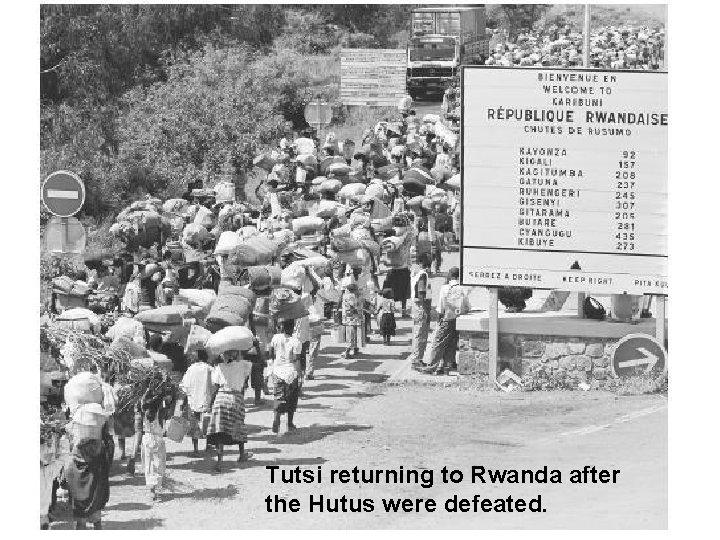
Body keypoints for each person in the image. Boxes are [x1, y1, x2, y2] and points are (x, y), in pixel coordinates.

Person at [64, 403, 114, 529]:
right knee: (97, 517)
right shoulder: (102, 446)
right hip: (96, 482)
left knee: (81, 520)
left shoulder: (76, 446)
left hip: (79, 484)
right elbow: (109, 459)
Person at [207, 349, 253, 471]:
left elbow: (215, 386)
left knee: (220, 430)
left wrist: (211, 403)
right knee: (238, 426)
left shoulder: (219, 367)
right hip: (235, 398)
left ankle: (220, 461)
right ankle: (242, 454)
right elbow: (246, 379)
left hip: (221, 398)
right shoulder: (244, 365)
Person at [424, 267, 469, 375]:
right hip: (457, 319)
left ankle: (432, 366)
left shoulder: (445, 288)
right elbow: (467, 306)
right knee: (452, 343)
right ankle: (446, 367)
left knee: (438, 343)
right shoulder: (462, 288)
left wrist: (439, 319)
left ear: (450, 275)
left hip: (447, 318)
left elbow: (440, 306)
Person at [140, 377, 172, 500]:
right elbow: (167, 408)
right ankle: (154, 488)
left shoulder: (145, 407)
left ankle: (152, 489)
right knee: (158, 464)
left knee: (148, 464)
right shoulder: (159, 410)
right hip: (157, 439)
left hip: (147, 437)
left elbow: (143, 400)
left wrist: (149, 390)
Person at [269, 319, 303, 433]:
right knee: (292, 398)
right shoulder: (296, 341)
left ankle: (276, 418)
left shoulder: (275, 338)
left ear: (282, 327)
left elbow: (271, 354)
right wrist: (300, 375)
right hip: (290, 372)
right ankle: (290, 423)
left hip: (277, 371)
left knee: (278, 396)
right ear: (293, 328)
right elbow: (296, 360)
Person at [179, 349, 214, 455]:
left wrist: (183, 402)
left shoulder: (191, 368)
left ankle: (196, 449)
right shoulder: (209, 368)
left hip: (193, 400)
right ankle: (208, 445)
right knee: (208, 423)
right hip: (207, 400)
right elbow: (215, 384)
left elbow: (184, 387)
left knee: (194, 425)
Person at [409, 254, 433, 370]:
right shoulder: (423, 275)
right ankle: (416, 360)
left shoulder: (415, 274)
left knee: (417, 333)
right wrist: (425, 309)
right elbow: (421, 291)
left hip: (415, 305)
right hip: (421, 305)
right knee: (421, 334)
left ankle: (416, 358)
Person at [341, 282, 363, 358]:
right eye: (357, 289)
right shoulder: (351, 296)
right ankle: (347, 352)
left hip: (348, 318)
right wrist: (358, 313)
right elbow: (352, 306)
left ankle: (355, 349)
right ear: (353, 290)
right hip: (351, 318)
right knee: (351, 334)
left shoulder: (346, 295)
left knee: (352, 334)